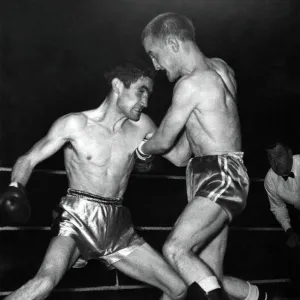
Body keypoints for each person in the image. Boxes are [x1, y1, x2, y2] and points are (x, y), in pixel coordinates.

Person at [1, 60, 187, 300]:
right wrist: (16, 188)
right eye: (141, 91)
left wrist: (193, 113)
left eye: (149, 94)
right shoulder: (76, 124)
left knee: (178, 289)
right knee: (45, 281)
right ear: (118, 85)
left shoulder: (143, 126)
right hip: (78, 218)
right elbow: (28, 159)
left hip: (117, 225)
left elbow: (180, 159)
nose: (146, 102)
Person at [139, 12, 269, 300]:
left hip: (220, 176)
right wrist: (154, 143)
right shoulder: (221, 70)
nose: (155, 66)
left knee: (175, 249)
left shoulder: (191, 85)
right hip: (215, 174)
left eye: (154, 55)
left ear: (173, 43)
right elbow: (181, 155)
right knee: (209, 275)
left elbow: (161, 142)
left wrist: (141, 148)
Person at [264, 140, 300, 294]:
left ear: (290, 153)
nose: (275, 162)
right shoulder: (270, 179)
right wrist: (289, 231)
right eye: (270, 158)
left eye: (279, 155)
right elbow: (278, 208)